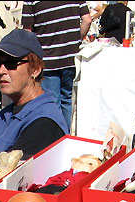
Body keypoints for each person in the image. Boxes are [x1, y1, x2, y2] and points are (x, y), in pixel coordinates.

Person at [0, 29, 68, 164]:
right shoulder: (6, 113)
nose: (1, 71)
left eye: (11, 63)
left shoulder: (44, 123)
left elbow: (6, 177)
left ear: (35, 69)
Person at [21, 1, 92, 131]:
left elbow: (28, 31)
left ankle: (57, 140)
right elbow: (87, 20)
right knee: (67, 101)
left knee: (52, 103)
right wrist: (76, 40)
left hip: (48, 58)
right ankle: (66, 136)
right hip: (71, 57)